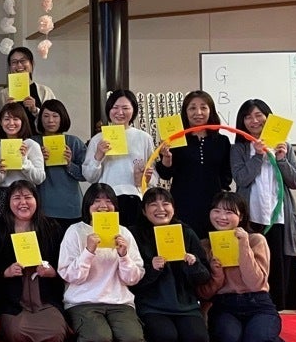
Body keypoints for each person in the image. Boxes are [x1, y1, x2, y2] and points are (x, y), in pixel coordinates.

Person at [230, 98, 296, 311]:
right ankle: (254, 309)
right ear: (242, 122)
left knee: (279, 264)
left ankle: (279, 310)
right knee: (253, 262)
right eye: (248, 117)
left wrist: (281, 159)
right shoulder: (239, 148)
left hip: (279, 216)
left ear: (268, 117)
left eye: (258, 115)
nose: (254, 121)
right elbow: (241, 179)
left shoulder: (284, 145)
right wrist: (258, 156)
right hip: (251, 216)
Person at [198, 191, 288, 342]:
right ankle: (247, 335)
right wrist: (217, 275)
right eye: (217, 211)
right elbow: (205, 293)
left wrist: (244, 246)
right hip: (224, 305)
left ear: (241, 217)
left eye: (229, 212)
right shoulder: (205, 245)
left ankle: (269, 339)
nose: (222, 217)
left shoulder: (256, 240)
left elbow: (255, 283)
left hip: (257, 302)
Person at [57, 183, 146, 342]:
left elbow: (133, 278)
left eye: (108, 201)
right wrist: (88, 251)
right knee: (99, 340)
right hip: (83, 302)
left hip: (119, 302)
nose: (103, 205)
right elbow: (69, 275)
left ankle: (110, 329)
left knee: (133, 341)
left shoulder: (124, 233)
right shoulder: (75, 231)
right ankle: (82, 327)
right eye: (96, 201)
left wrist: (124, 256)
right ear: (87, 205)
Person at [0, 180, 69, 342]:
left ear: (36, 200)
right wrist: (5, 272)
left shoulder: (51, 227)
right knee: (17, 333)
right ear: (8, 202)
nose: (23, 202)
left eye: (27, 197)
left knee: (57, 333)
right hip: (14, 301)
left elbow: (64, 264)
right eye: (17, 198)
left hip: (45, 299)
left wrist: (52, 271)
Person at [130, 187, 212, 342]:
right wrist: (151, 269)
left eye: (166, 204)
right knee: (164, 339)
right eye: (153, 204)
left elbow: (205, 276)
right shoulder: (134, 234)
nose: (161, 209)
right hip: (151, 305)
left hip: (185, 306)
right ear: (144, 211)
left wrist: (193, 264)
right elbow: (130, 280)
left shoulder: (186, 232)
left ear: (173, 208)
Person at [154, 90, 232, 237]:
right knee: (186, 241)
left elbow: (226, 175)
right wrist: (166, 158)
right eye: (192, 108)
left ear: (211, 111)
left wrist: (222, 200)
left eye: (203, 108)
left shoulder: (222, 141)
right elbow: (165, 174)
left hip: (213, 204)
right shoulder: (175, 140)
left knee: (212, 244)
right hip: (182, 201)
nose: (198, 112)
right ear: (185, 112)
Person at [82, 89, 156, 227]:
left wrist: (145, 178)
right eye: (115, 107)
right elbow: (89, 177)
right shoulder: (98, 139)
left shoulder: (144, 138)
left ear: (133, 110)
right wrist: (98, 156)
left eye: (125, 108)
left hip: (135, 199)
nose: (120, 112)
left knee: (132, 237)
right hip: (106, 201)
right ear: (109, 110)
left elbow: (154, 175)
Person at [32, 99, 87, 231]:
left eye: (55, 116)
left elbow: (85, 175)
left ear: (62, 118)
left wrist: (69, 164)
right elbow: (26, 175)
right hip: (44, 208)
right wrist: (39, 161)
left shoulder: (73, 142)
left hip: (71, 208)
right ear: (40, 119)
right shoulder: (33, 142)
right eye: (46, 116)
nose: (50, 120)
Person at [0, 101, 46, 224]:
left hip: (26, 195)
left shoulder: (31, 145)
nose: (11, 123)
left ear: (22, 122)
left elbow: (39, 178)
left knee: (25, 231)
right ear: (0, 122)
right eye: (6, 119)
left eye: (16, 119)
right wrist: (0, 171)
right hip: (1, 195)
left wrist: (24, 161)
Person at [0, 45, 55, 126]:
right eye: (14, 62)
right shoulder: (3, 93)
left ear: (32, 64)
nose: (19, 65)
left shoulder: (45, 91)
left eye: (23, 61)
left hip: (38, 134)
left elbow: (54, 122)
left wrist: (35, 110)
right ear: (10, 67)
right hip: (13, 134)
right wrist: (5, 110)